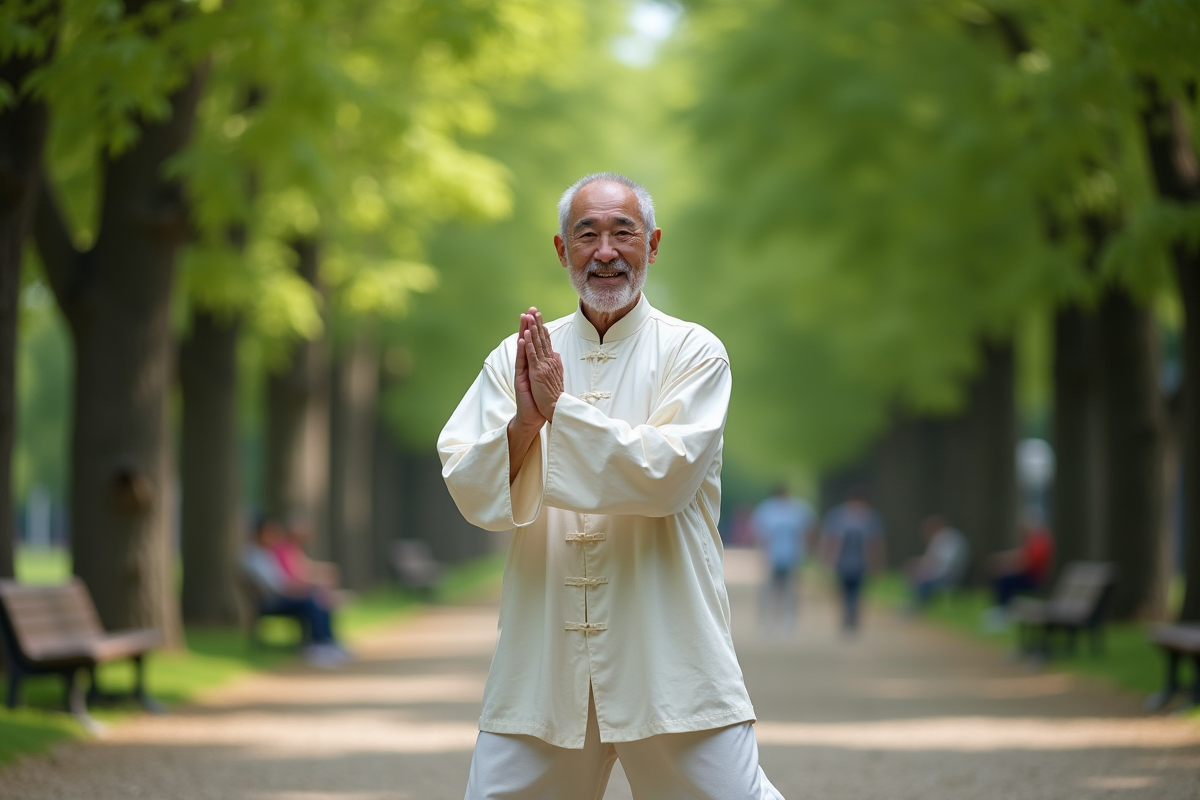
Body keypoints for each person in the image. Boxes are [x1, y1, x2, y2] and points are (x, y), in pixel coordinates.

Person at [439, 173, 784, 799]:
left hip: (670, 651)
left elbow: (663, 475)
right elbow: (468, 483)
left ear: (652, 245)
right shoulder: (510, 359)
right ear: (561, 248)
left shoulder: (694, 353)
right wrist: (523, 422)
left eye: (622, 233)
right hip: (541, 657)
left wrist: (559, 412)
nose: (605, 251)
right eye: (586, 234)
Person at [241, 516, 348, 669]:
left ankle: (327, 641)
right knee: (311, 601)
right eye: (269, 532)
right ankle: (318, 645)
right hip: (272, 602)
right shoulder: (252, 556)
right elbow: (276, 586)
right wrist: (299, 589)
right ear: (259, 533)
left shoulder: (267, 554)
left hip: (280, 596)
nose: (274, 536)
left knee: (318, 597)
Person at [820, 488, 886, 634]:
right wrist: (826, 558)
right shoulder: (838, 515)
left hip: (860, 562)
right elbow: (830, 539)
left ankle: (852, 617)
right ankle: (848, 616)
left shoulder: (870, 517)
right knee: (845, 590)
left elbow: (876, 542)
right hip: (842, 561)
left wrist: (877, 563)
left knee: (856, 591)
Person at [751, 484, 815, 634]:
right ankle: (767, 620)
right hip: (773, 556)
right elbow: (759, 534)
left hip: (791, 555)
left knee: (789, 589)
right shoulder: (768, 509)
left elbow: (808, 530)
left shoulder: (797, 509)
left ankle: (788, 619)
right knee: (770, 589)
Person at [982, 516, 1054, 630]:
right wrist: (1003, 561)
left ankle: (1003, 612)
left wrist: (1006, 566)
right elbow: (1020, 555)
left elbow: (1026, 564)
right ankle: (1001, 610)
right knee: (1002, 577)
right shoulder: (1032, 541)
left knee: (1004, 580)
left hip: (1031, 579)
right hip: (1027, 576)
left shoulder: (1038, 542)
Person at [906, 514, 969, 610]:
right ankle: (917, 602)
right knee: (917, 572)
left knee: (920, 576)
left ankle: (920, 604)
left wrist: (922, 566)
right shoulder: (943, 538)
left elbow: (942, 562)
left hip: (947, 575)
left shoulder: (946, 538)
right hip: (943, 572)